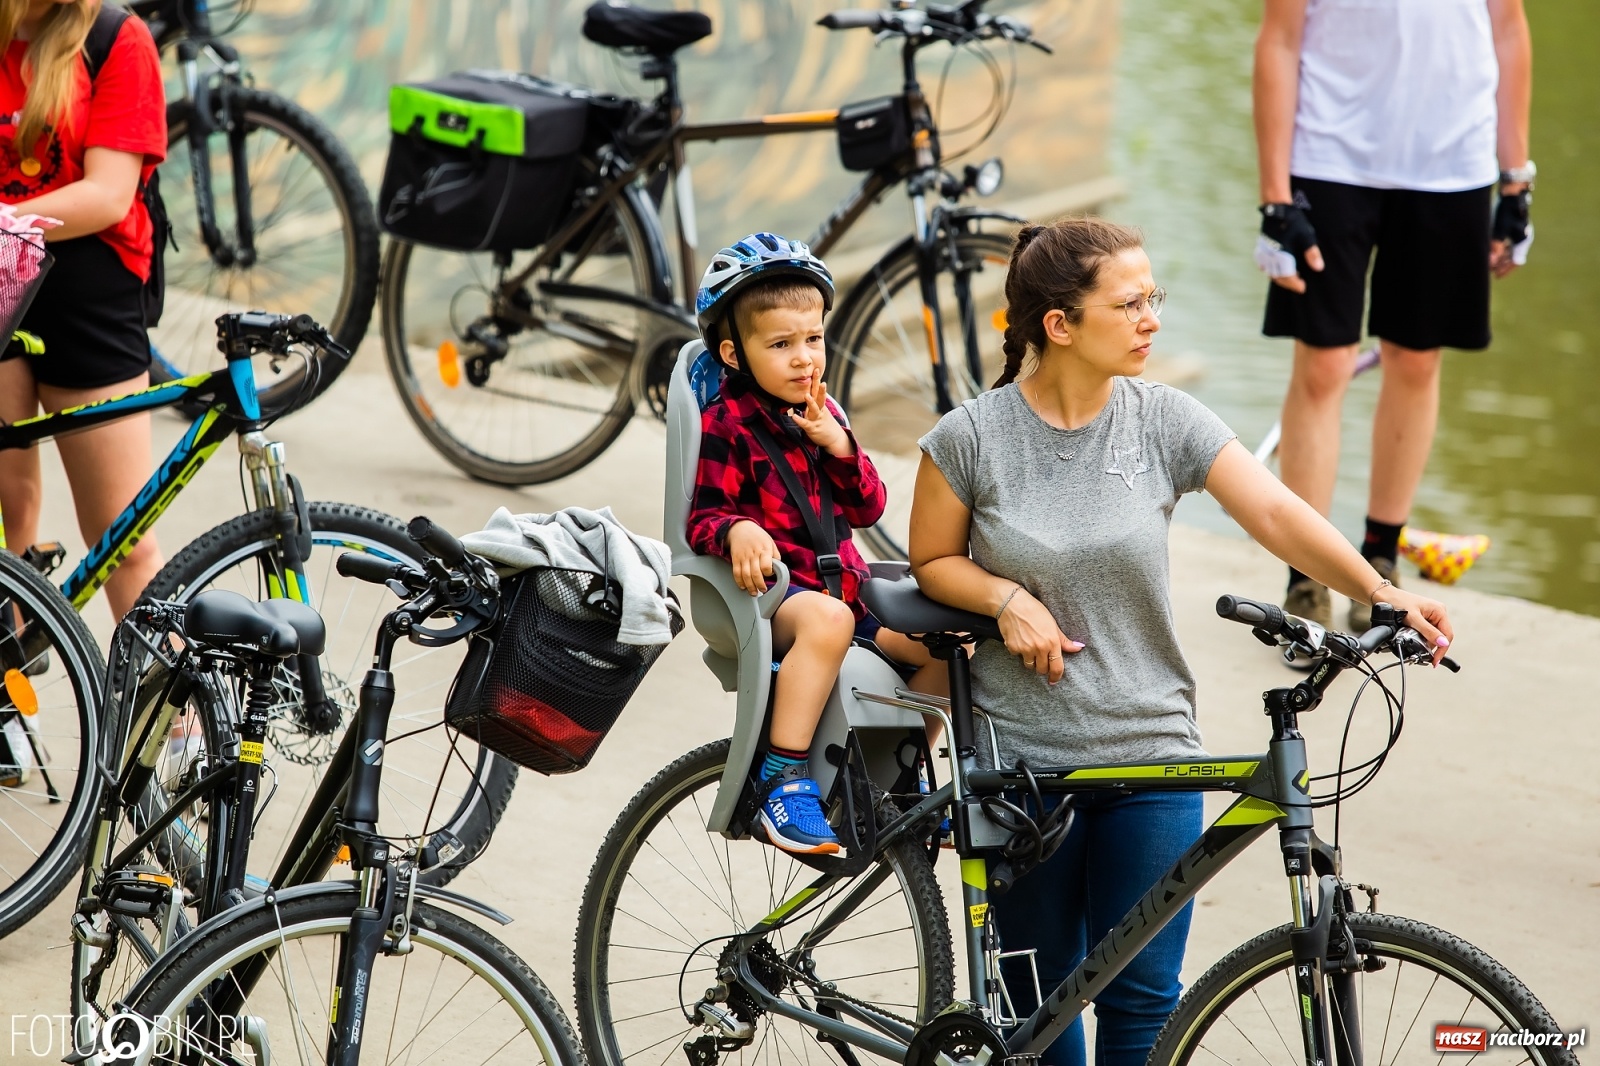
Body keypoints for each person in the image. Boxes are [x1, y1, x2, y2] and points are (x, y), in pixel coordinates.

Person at [909, 218, 1455, 1066]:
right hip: (1025, 763)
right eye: (1129, 303)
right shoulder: (970, 438)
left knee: (1143, 1006)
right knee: (1042, 1017)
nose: (1151, 318)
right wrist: (1003, 595)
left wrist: (1380, 591)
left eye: (1151, 298)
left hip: (1155, 750)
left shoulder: (1163, 419)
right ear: (1059, 325)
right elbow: (932, 560)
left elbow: (1273, 511)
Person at [1252, 0, 1533, 630]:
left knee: (1415, 357)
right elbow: (1279, 40)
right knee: (1324, 366)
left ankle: (1380, 564)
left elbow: (1508, 30)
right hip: (1329, 160)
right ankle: (1308, 580)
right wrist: (1274, 198)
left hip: (1450, 166)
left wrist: (1516, 181)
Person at [687, 232, 942, 857]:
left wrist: (841, 448)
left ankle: (903, 775)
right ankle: (784, 778)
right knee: (827, 619)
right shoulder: (728, 425)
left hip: (848, 596)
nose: (804, 359)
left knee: (949, 648)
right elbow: (701, 518)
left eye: (813, 339)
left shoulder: (825, 413)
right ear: (734, 352)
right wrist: (739, 531)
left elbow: (869, 507)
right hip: (775, 600)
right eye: (780, 345)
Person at [0, 0, 167, 621]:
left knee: (123, 539)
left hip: (87, 291)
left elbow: (108, 194)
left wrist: (7, 220)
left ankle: (171, 717)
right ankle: (12, 692)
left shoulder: (114, 38)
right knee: (10, 513)